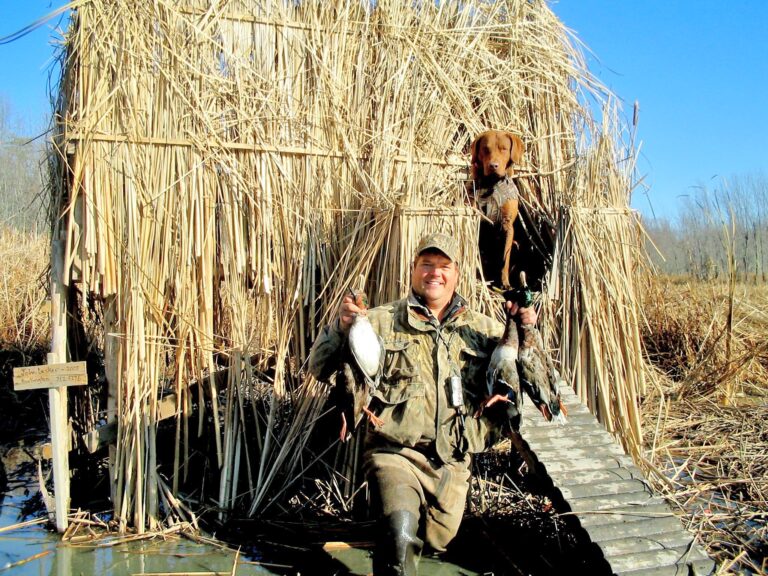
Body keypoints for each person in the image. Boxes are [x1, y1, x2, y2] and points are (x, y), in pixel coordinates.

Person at [308, 232, 537, 575]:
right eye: (426, 265)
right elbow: (319, 367)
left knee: (436, 543)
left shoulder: (483, 330)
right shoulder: (381, 321)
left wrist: (527, 329)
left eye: (443, 266)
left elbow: (527, 380)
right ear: (413, 269)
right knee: (399, 538)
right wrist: (342, 328)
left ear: (457, 273)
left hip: (452, 463)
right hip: (395, 454)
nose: (434, 273)